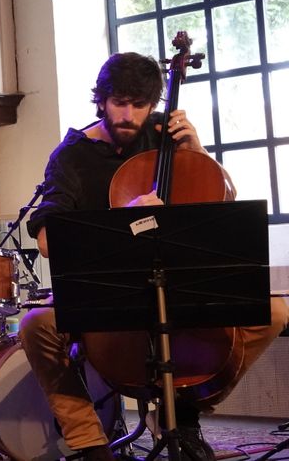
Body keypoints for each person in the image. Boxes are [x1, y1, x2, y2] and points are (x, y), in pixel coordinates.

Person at [20, 51, 289, 461]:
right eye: (119, 103)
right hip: (109, 293)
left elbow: (221, 201)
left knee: (275, 312)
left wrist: (197, 152)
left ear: (152, 104)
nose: (128, 115)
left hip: (179, 285)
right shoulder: (72, 155)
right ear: (101, 100)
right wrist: (125, 221)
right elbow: (47, 242)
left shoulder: (168, 137)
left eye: (139, 104)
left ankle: (185, 410)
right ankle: (89, 443)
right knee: (35, 324)